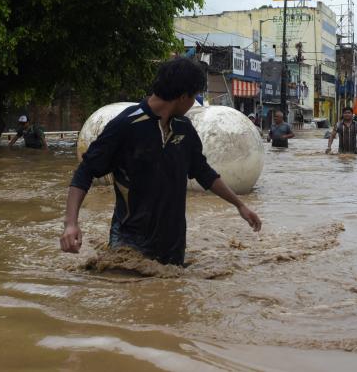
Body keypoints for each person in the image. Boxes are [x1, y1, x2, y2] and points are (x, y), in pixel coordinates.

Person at [59, 58, 262, 265]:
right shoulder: (126, 125)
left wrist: (240, 205)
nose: (193, 103)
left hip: (173, 245)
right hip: (129, 242)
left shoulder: (184, 128)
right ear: (183, 97)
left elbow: (204, 173)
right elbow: (85, 171)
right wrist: (71, 223)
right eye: (194, 97)